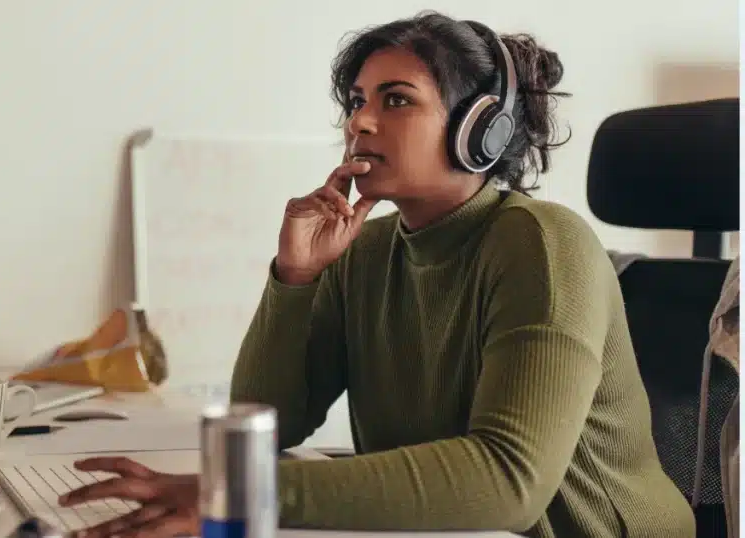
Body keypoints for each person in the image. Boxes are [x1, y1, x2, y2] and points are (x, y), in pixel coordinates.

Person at [57, 11, 696, 538]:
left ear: (479, 131)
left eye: (396, 101)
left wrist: (243, 494)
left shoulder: (542, 244)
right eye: (358, 102)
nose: (360, 122)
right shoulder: (366, 250)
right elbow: (268, 423)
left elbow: (508, 483)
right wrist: (295, 279)